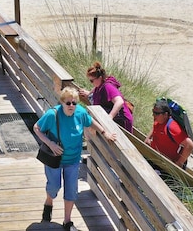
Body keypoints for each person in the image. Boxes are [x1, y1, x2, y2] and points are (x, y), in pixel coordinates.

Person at [34, 87, 117, 228]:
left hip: (73, 159)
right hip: (55, 158)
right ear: (62, 103)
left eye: (74, 103)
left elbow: (90, 122)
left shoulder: (80, 112)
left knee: (71, 190)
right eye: (68, 103)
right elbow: (36, 128)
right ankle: (49, 203)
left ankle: (67, 221)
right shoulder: (52, 114)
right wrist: (50, 143)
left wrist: (105, 133)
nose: (71, 106)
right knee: (54, 186)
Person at [77, 62, 134, 133]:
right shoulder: (101, 84)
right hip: (115, 119)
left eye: (92, 80)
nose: (91, 82)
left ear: (100, 78)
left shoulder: (108, 86)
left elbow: (120, 101)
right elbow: (96, 88)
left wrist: (110, 117)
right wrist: (89, 93)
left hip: (122, 121)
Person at [146, 98, 193, 169]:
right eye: (153, 112)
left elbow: (189, 145)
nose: (153, 115)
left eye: (156, 113)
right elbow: (154, 127)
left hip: (168, 166)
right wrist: (148, 138)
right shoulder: (158, 120)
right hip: (157, 160)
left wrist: (179, 163)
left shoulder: (172, 127)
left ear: (165, 114)